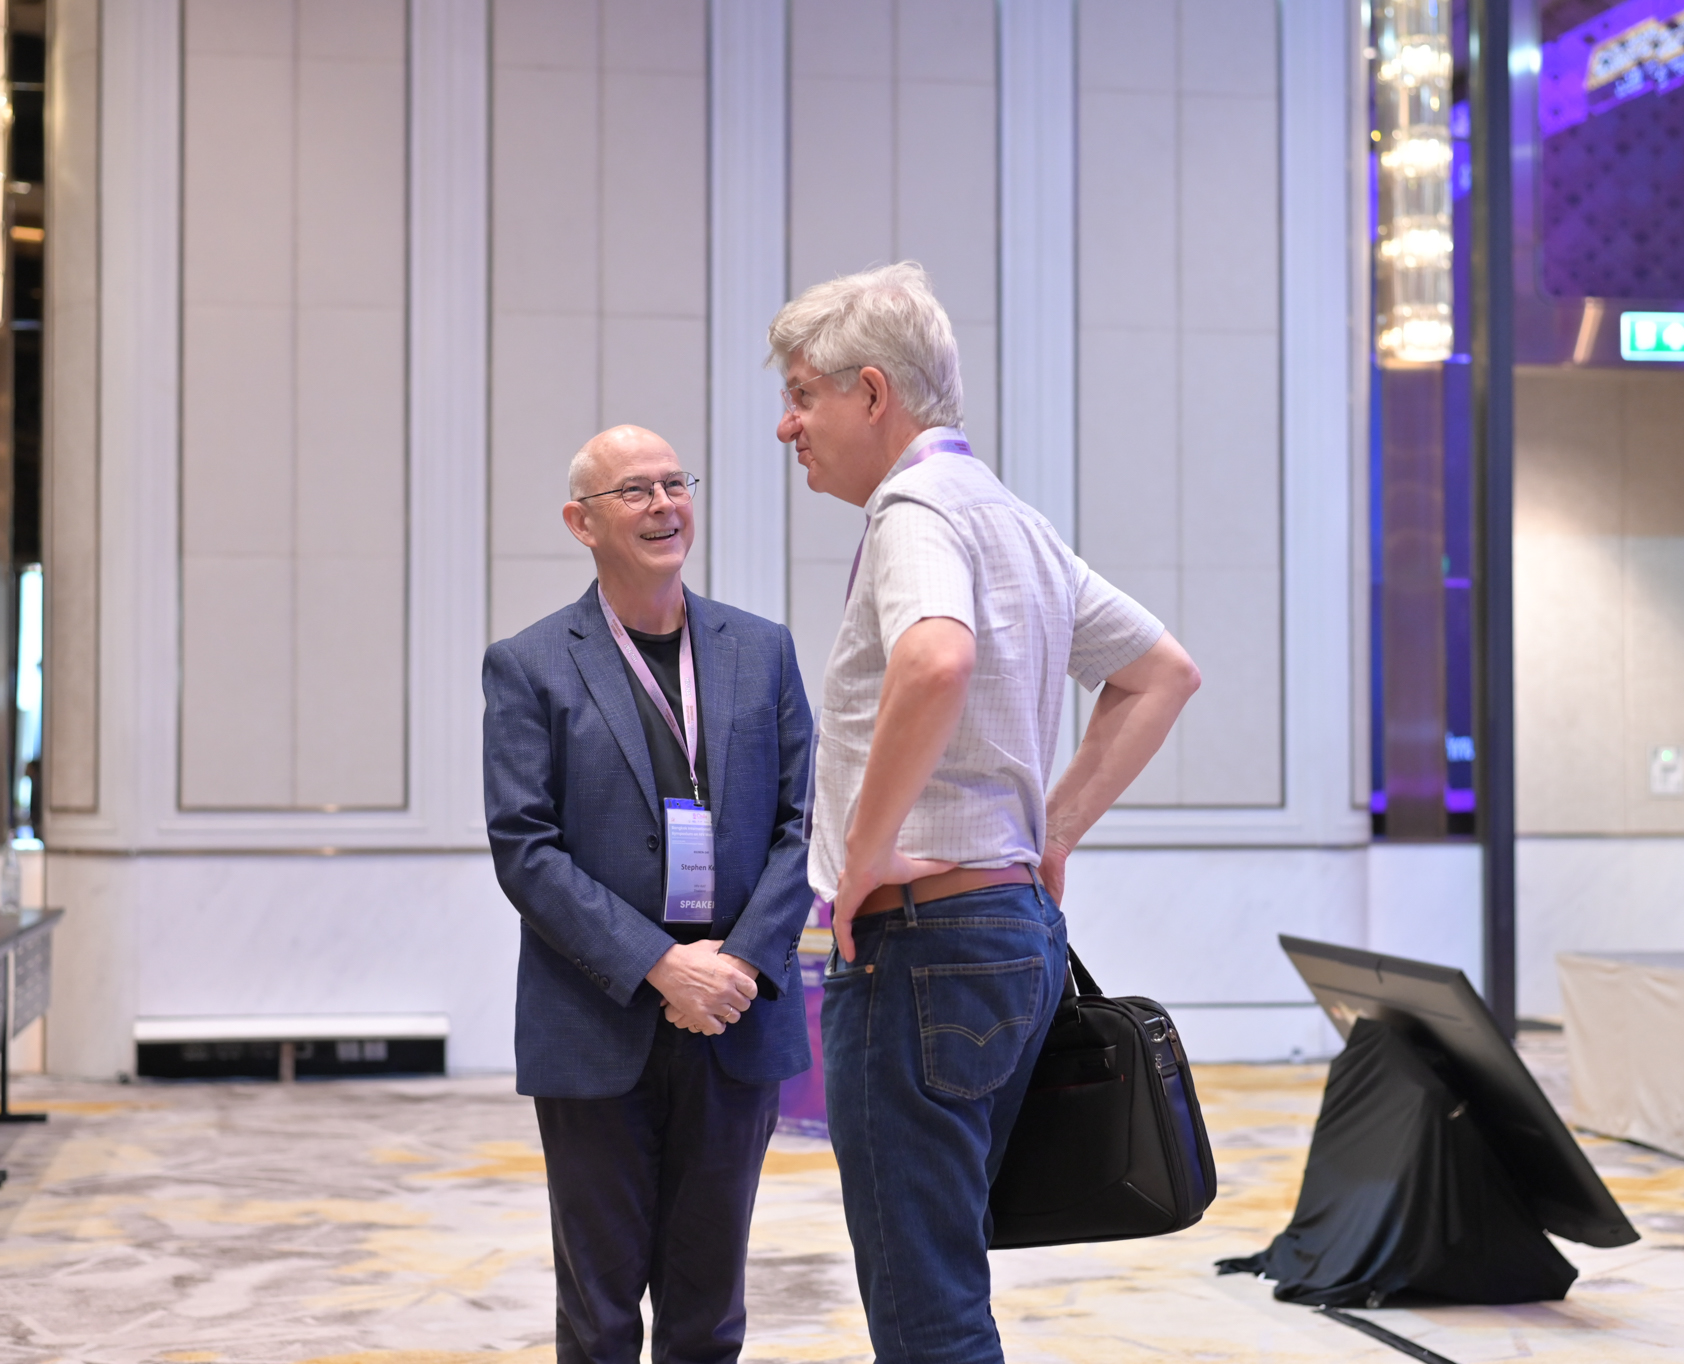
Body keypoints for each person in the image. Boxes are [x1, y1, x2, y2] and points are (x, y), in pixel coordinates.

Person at [769, 263, 1201, 1363]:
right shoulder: (1014, 519)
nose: (787, 425)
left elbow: (935, 657)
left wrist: (862, 855)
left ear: (873, 393)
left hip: (923, 947)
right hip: (1011, 936)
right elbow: (1161, 672)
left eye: (803, 394)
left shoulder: (913, 509)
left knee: (928, 1311)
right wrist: (1053, 833)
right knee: (948, 1279)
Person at [482, 424, 815, 1364]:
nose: (665, 504)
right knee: (599, 1315)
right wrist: (663, 965)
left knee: (709, 1310)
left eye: (675, 483)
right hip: (597, 1015)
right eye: (635, 490)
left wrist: (737, 965)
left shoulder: (762, 650)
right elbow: (525, 848)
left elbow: (804, 827)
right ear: (580, 522)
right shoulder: (530, 664)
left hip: (734, 1013)